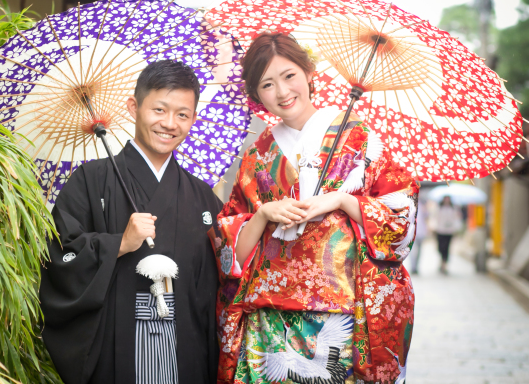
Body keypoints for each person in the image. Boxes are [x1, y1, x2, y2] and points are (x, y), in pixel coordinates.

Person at [211, 33, 418, 384]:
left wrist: (342, 200)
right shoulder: (256, 155)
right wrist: (262, 215)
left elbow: (400, 218)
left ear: (309, 72)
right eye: (267, 84)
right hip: (270, 316)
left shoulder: (361, 139)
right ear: (256, 94)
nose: (282, 92)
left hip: (345, 314)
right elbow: (228, 248)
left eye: (289, 76)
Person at [39, 60, 223, 384]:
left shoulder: (202, 197)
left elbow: (222, 281)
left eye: (183, 114)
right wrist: (119, 244)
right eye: (159, 110)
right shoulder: (89, 181)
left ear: (193, 119)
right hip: (117, 344)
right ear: (134, 106)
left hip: (185, 349)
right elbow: (58, 257)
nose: (170, 123)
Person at [435, 195, 461, 275]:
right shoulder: (439, 209)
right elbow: (435, 218)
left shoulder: (453, 209)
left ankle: (444, 264)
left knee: (447, 248)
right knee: (440, 248)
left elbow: (456, 219)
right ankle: (442, 261)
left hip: (449, 231)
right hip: (440, 230)